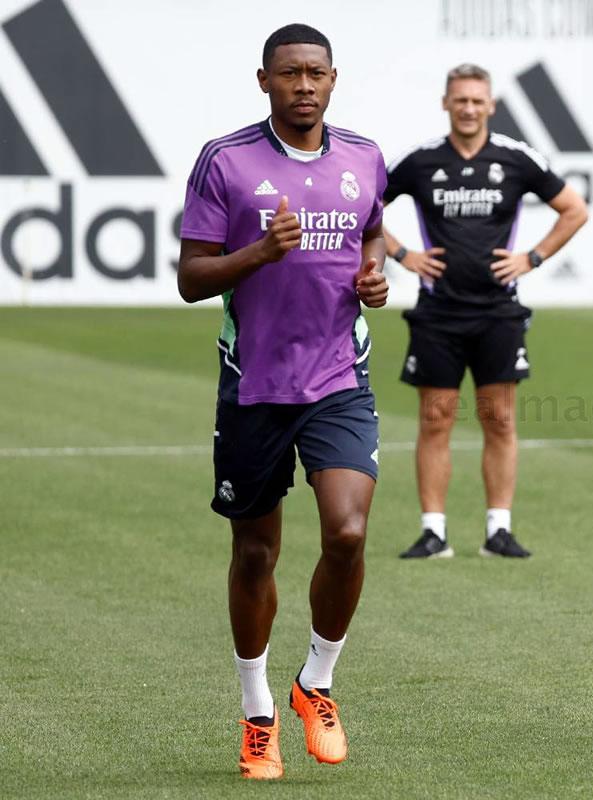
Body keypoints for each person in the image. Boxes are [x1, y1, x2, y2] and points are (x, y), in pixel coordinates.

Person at [177, 23, 389, 779]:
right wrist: (258, 254)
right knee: (256, 551)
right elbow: (192, 278)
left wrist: (374, 278)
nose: (304, 85)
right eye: (289, 74)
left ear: (334, 79)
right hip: (255, 385)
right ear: (263, 80)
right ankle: (258, 711)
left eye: (316, 73)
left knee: (349, 532)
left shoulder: (364, 156)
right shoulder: (226, 161)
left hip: (338, 377)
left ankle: (317, 684)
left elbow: (372, 233)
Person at [382, 63, 588, 560]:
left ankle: (499, 530)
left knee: (499, 421)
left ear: (491, 105)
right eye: (461, 99)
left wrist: (531, 258)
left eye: (478, 100)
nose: (469, 108)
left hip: (498, 312)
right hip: (438, 314)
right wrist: (404, 254)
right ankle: (434, 532)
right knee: (436, 421)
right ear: (446, 103)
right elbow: (366, 211)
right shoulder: (422, 161)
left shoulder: (515, 159)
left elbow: (575, 210)